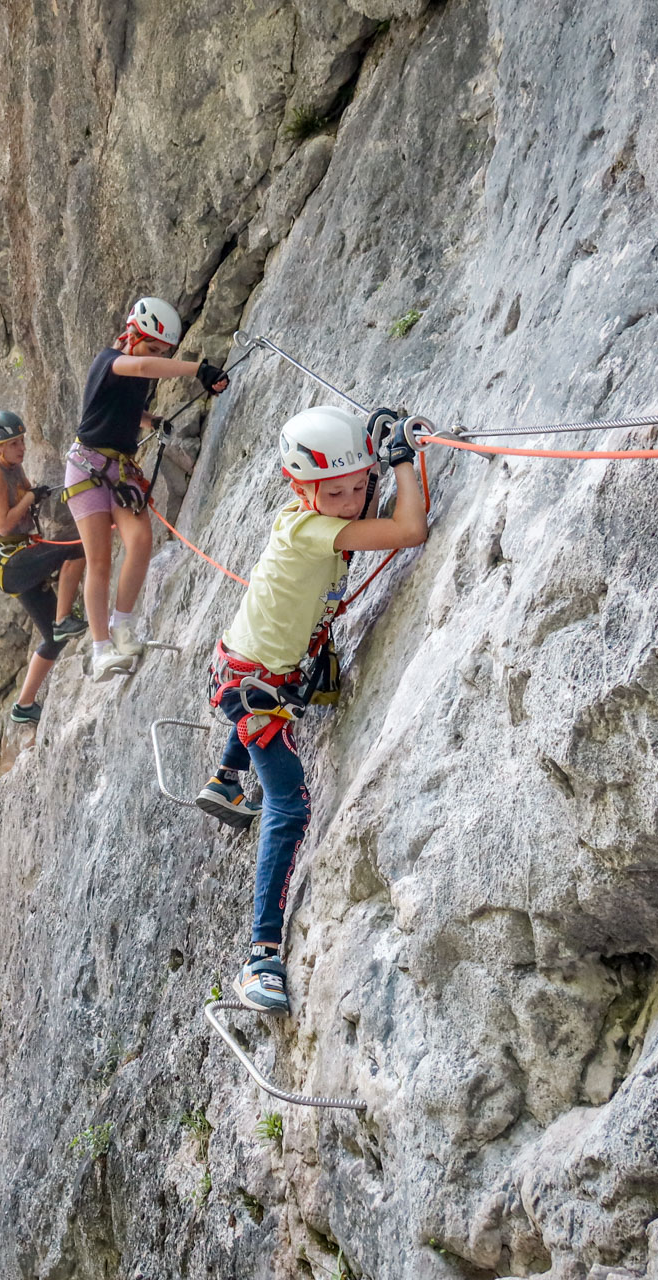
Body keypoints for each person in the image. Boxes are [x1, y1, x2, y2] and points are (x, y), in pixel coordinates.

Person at [196, 406, 428, 1012]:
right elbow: (408, 531)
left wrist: (379, 457)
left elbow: (372, 516)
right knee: (290, 800)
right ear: (301, 488)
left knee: (283, 694)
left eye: (360, 485)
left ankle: (225, 780)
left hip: (254, 667)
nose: (352, 500)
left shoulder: (315, 512)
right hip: (252, 685)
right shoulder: (310, 529)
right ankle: (260, 957)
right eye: (337, 491)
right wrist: (402, 460)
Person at [69, 297, 230, 680]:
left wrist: (150, 420)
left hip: (119, 467)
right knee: (100, 561)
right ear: (133, 333)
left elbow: (122, 406)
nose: (156, 356)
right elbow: (138, 364)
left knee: (140, 539)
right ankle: (100, 649)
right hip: (86, 468)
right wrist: (198, 369)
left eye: (162, 351)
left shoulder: (134, 371)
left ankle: (122, 625)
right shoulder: (110, 361)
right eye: (153, 347)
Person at [0, 409, 87, 725]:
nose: (21, 448)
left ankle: (23, 706)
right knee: (76, 548)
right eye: (14, 443)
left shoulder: (13, 469)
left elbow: (25, 504)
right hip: (8, 561)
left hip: (19, 558)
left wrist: (35, 495)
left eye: (22, 441)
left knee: (54, 640)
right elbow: (5, 523)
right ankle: (64, 618)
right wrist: (29, 499)